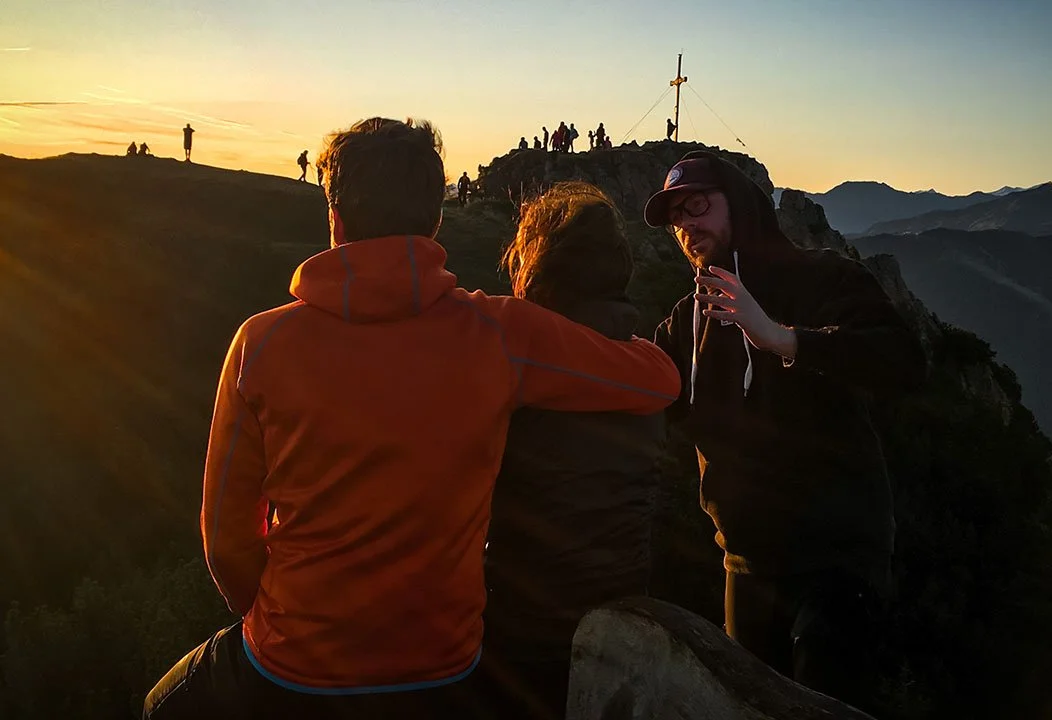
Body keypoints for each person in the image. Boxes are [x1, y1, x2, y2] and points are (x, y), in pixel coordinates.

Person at [142, 117, 680, 719]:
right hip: (443, 665)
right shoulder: (499, 333)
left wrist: (289, 621)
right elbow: (656, 379)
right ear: (435, 219)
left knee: (161, 705)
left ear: (335, 217)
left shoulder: (260, 343)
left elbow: (226, 539)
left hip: (293, 662)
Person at [644, 151, 926, 712]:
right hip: (745, 561)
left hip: (837, 557)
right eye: (676, 217)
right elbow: (641, 389)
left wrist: (782, 338)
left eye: (697, 205)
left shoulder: (821, 276)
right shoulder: (686, 319)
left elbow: (904, 361)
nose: (686, 225)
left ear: (738, 205)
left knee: (823, 707)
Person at [479, 182, 665, 719]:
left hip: (521, 624)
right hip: (620, 615)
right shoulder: (643, 368)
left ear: (538, 272)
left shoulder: (513, 364)